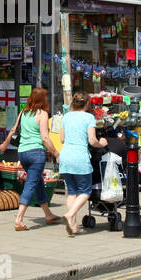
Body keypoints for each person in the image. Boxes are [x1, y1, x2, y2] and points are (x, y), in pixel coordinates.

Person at [1, 88, 60, 230]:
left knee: (37, 181)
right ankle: (19, 219)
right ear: (43, 100)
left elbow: (14, 130)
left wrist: (4, 144)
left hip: (22, 153)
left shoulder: (23, 112)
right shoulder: (43, 114)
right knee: (31, 183)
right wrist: (56, 153)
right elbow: (45, 138)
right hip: (36, 154)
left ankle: (48, 214)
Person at [56, 92, 107, 236]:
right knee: (85, 191)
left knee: (72, 192)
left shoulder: (66, 117)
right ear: (87, 103)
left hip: (65, 157)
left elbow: (62, 139)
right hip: (80, 158)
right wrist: (101, 143)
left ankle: (73, 227)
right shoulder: (89, 117)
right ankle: (70, 214)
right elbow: (92, 140)